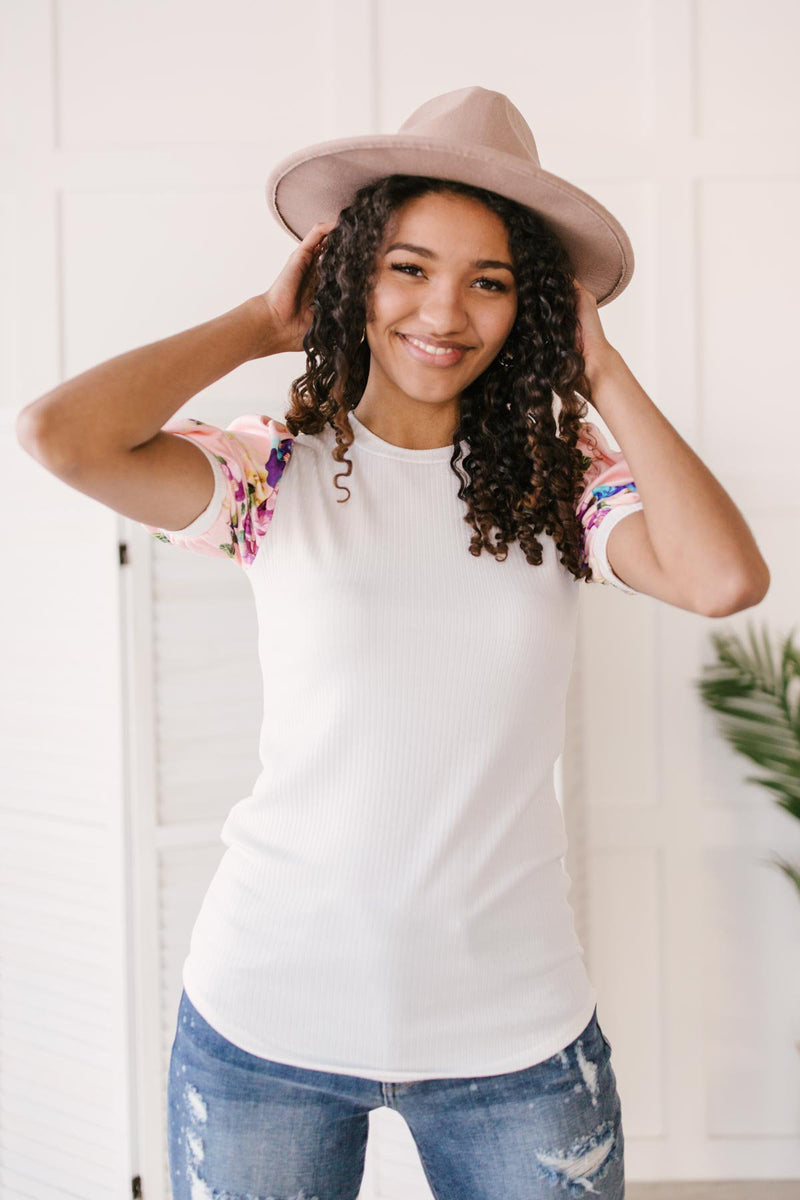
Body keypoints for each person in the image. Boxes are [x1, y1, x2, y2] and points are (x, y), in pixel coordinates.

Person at [17, 86, 769, 1200]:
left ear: (533, 308)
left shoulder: (562, 485)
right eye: (408, 266)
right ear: (352, 274)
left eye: (491, 281)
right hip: (265, 1022)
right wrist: (259, 327)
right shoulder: (272, 469)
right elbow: (58, 435)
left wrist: (598, 370)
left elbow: (721, 579)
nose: (444, 311)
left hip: (513, 1040)